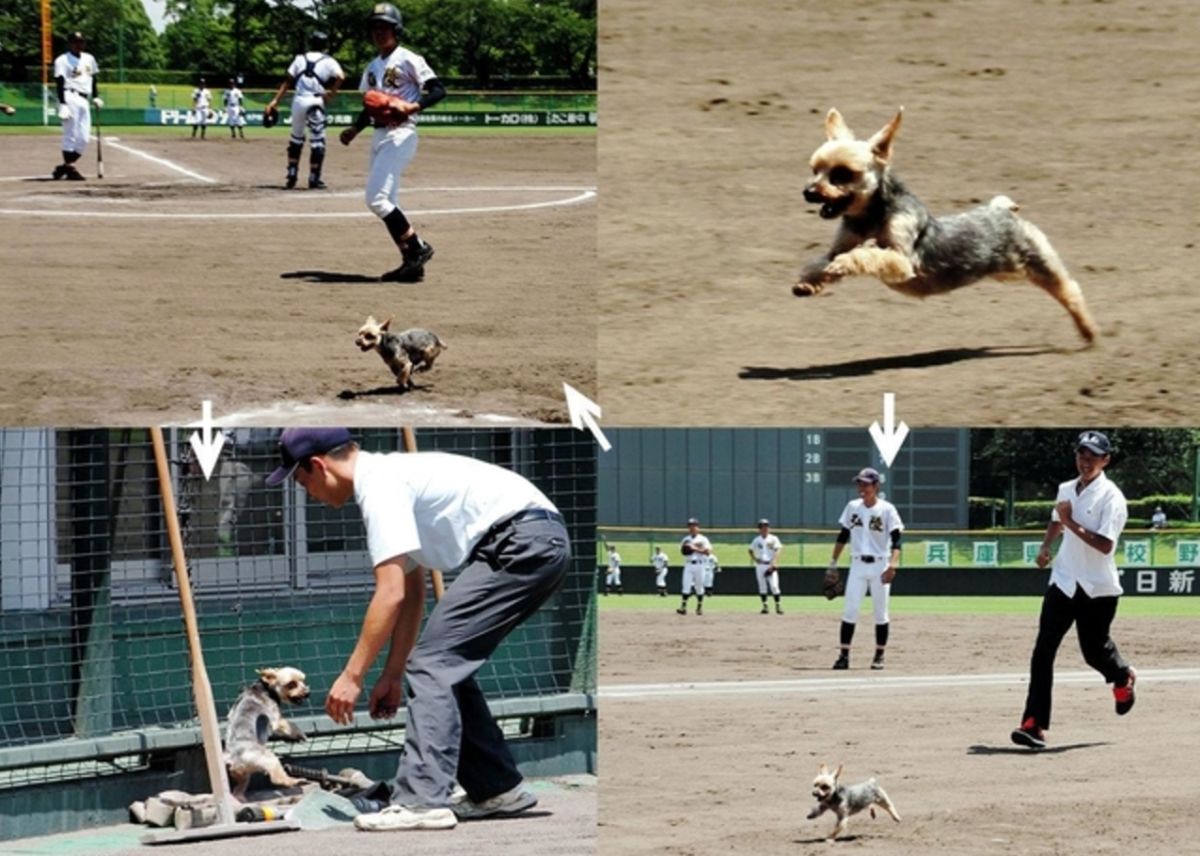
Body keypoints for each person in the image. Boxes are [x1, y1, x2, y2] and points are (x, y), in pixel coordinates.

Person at [266, 428, 570, 831]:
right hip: (535, 541)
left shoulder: (380, 487)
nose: (307, 492)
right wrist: (392, 674)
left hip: (521, 543)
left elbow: (388, 594)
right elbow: (410, 595)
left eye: (302, 481)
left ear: (319, 465)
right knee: (443, 664)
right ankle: (498, 788)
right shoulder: (388, 477)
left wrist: (353, 676)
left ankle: (422, 800)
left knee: (435, 663)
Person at [1011, 431, 1136, 750]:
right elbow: (1056, 519)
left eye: (1093, 456)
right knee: (1043, 651)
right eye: (1082, 454)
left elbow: (1106, 546)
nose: (1085, 460)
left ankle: (1121, 676)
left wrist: (1069, 522)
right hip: (1064, 581)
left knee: (1093, 651)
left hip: (1098, 587)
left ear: (1105, 460)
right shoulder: (1066, 488)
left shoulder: (1113, 497)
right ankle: (1034, 724)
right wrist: (1045, 547)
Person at [340, 2, 446, 282]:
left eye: (384, 27)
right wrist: (355, 129)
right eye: (375, 27)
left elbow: (438, 90)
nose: (378, 32)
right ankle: (412, 267)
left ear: (396, 30)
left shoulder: (409, 58)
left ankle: (417, 248)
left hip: (401, 132)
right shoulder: (372, 67)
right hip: (379, 133)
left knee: (376, 199)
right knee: (389, 200)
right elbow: (370, 106)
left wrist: (414, 106)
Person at [826, 468, 903, 671]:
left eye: (866, 484)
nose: (862, 487)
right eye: (859, 484)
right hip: (858, 565)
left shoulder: (887, 509)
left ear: (876, 485)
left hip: (880, 564)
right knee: (849, 611)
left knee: (881, 613)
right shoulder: (852, 507)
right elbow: (843, 535)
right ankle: (844, 656)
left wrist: (893, 566)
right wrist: (832, 564)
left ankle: (879, 655)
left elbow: (897, 541)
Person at [266, 30, 345, 189]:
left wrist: (275, 101)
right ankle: (314, 177)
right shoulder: (328, 60)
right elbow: (341, 77)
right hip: (315, 101)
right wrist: (331, 93)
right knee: (317, 142)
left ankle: (292, 174)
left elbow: (287, 82)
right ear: (324, 45)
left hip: (298, 101)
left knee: (296, 138)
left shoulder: (299, 58)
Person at [52, 31, 101, 181]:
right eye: (76, 42)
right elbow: (59, 83)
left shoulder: (89, 58)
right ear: (70, 44)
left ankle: (65, 167)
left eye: (82, 42)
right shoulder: (62, 60)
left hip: (84, 99)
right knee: (70, 134)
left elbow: (93, 79)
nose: (79, 45)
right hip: (70, 96)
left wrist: (96, 96)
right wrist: (63, 104)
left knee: (84, 137)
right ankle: (71, 169)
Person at [676, 518, 711, 616]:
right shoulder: (686, 539)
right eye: (690, 526)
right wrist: (687, 549)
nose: (692, 527)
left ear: (698, 527)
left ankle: (699, 607)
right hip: (688, 564)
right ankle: (683, 607)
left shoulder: (703, 539)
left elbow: (708, 552)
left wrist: (694, 548)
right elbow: (682, 551)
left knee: (699, 587)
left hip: (700, 564)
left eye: (694, 525)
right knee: (686, 585)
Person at [749, 518, 784, 615]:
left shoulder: (773, 538)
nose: (765, 528)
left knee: (774, 586)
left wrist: (775, 562)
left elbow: (778, 549)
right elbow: (750, 550)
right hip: (760, 565)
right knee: (762, 586)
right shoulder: (756, 540)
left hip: (770, 564)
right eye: (763, 526)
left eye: (767, 526)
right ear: (759, 529)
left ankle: (778, 605)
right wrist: (755, 559)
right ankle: (765, 606)